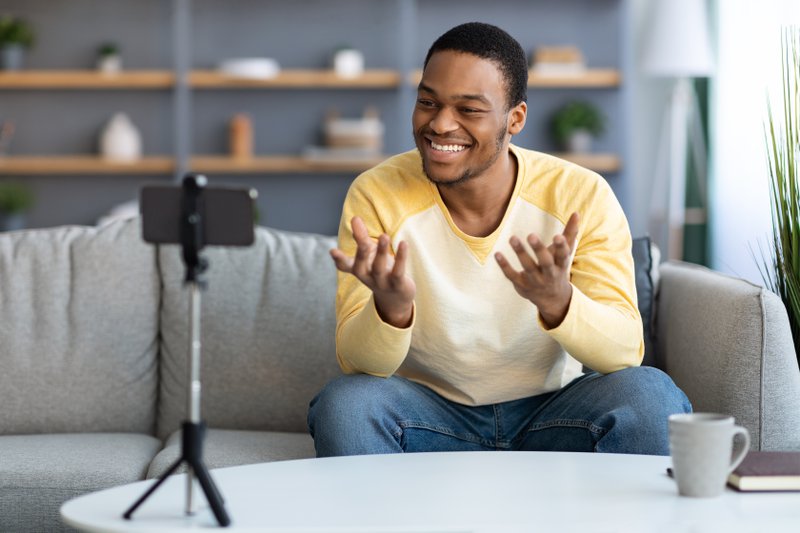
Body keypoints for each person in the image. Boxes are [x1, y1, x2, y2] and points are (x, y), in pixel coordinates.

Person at [308, 22, 691, 456]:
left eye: (469, 109)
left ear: (515, 119)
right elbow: (359, 365)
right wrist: (390, 310)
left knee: (648, 394)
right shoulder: (377, 193)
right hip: (429, 417)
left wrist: (560, 302)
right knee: (346, 405)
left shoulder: (580, 195)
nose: (440, 124)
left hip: (554, 412)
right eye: (428, 102)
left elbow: (623, 353)